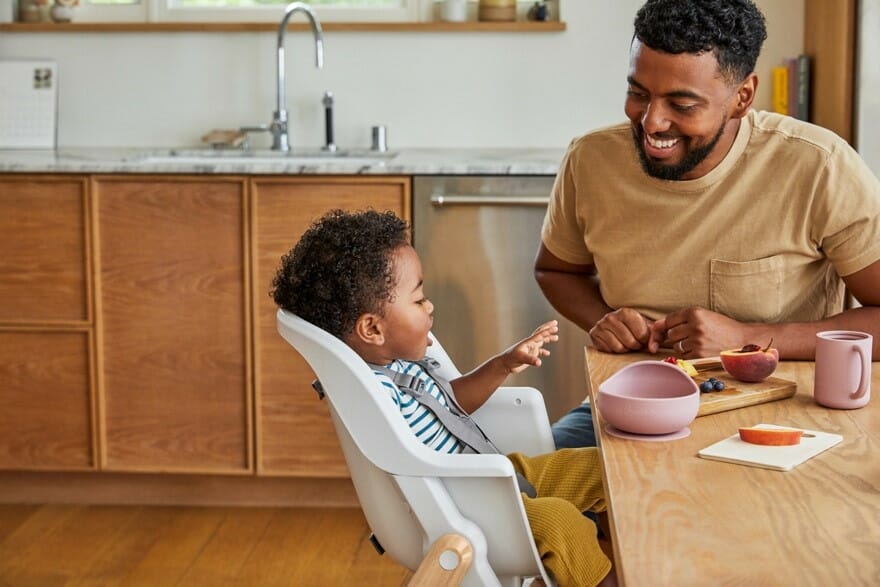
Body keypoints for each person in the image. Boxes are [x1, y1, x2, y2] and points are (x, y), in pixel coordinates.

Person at [536, 0, 880, 449]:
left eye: (681, 104)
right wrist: (603, 319)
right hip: (638, 406)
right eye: (638, 93)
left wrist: (744, 338)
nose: (651, 121)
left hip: (787, 416)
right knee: (520, 491)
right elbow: (556, 270)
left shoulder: (819, 166)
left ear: (742, 97)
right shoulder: (591, 160)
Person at [272, 209, 615, 587]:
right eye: (418, 300)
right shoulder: (378, 392)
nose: (429, 306)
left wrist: (503, 364)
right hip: (473, 507)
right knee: (561, 523)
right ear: (372, 328)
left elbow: (449, 405)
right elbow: (408, 459)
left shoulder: (402, 364)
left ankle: (640, 552)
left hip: (497, 477)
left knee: (603, 469)